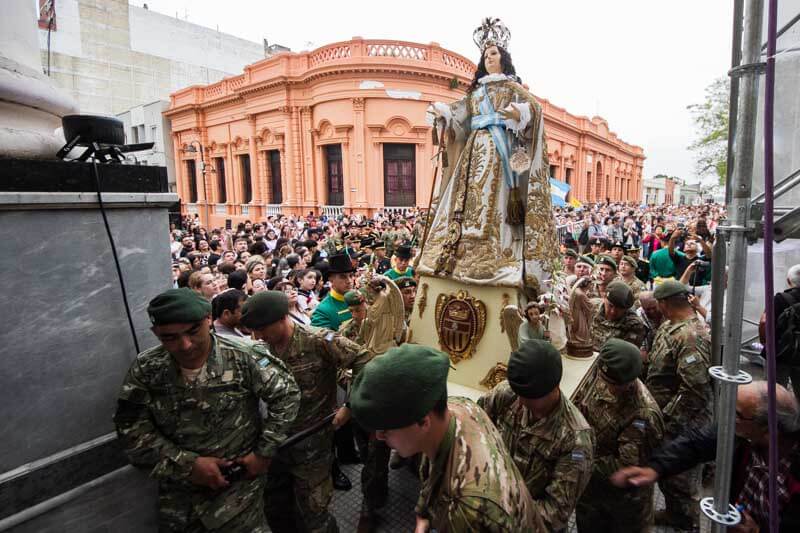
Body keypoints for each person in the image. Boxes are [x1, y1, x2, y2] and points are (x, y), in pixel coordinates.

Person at [113, 288, 301, 532]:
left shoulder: (245, 356)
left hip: (238, 487)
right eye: (170, 337)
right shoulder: (148, 368)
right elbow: (130, 427)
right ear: (155, 333)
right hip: (179, 494)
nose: (185, 345)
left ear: (208, 321)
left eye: (193, 331)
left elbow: (286, 395)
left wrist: (263, 453)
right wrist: (187, 465)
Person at [419, 17, 558, 292]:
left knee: (498, 199)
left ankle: (500, 252)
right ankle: (457, 250)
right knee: (467, 197)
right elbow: (461, 116)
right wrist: (444, 114)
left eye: (493, 53)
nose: (488, 58)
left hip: (501, 152)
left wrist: (521, 114)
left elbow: (535, 110)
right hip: (474, 151)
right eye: (485, 55)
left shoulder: (511, 88)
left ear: (503, 58)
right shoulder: (476, 93)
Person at [350, 344, 546, 532]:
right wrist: (423, 513)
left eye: (386, 430)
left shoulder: (466, 507)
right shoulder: (459, 408)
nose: (379, 436)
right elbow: (432, 470)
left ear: (423, 423)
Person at [240, 291, 372, 533]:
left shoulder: (320, 339)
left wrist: (350, 406)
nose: (257, 336)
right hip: (276, 443)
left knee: (314, 512)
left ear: (281, 318)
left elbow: (364, 360)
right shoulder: (263, 349)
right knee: (277, 507)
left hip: (313, 442)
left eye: (261, 329)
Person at [611, 381, 800, 533]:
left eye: (737, 414)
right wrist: (655, 468)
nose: (729, 418)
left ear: (767, 430)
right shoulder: (744, 437)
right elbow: (696, 443)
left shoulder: (793, 475)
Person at [478, 340, 595, 531]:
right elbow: (475, 426)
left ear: (554, 387)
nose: (522, 402)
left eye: (530, 396)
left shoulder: (575, 440)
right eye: (519, 393)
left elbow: (555, 512)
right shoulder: (508, 394)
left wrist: (497, 513)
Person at [572, 339, 664, 532]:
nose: (608, 388)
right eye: (606, 381)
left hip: (623, 504)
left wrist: (576, 457)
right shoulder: (604, 374)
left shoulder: (643, 415)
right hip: (591, 496)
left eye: (615, 385)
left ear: (630, 380)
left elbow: (626, 467)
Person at [645, 279, 713, 530]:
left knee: (682, 481)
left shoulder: (690, 336)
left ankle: (687, 524)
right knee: (670, 476)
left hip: (683, 424)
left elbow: (694, 389)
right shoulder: (671, 326)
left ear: (663, 304)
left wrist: (665, 417)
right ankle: (674, 514)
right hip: (669, 419)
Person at [590, 281, 647, 352]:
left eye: (619, 309)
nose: (613, 311)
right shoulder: (591, 307)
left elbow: (625, 356)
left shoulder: (634, 324)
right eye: (610, 306)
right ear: (604, 297)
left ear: (626, 309)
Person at [311, 253, 355, 331]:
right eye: (343, 277)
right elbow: (320, 339)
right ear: (331, 279)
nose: (349, 281)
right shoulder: (323, 311)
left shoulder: (361, 298)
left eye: (351, 275)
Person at [637, 290, 664, 377]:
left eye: (654, 308)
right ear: (642, 307)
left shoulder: (665, 308)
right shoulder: (638, 317)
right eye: (648, 309)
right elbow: (642, 350)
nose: (652, 311)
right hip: (650, 352)